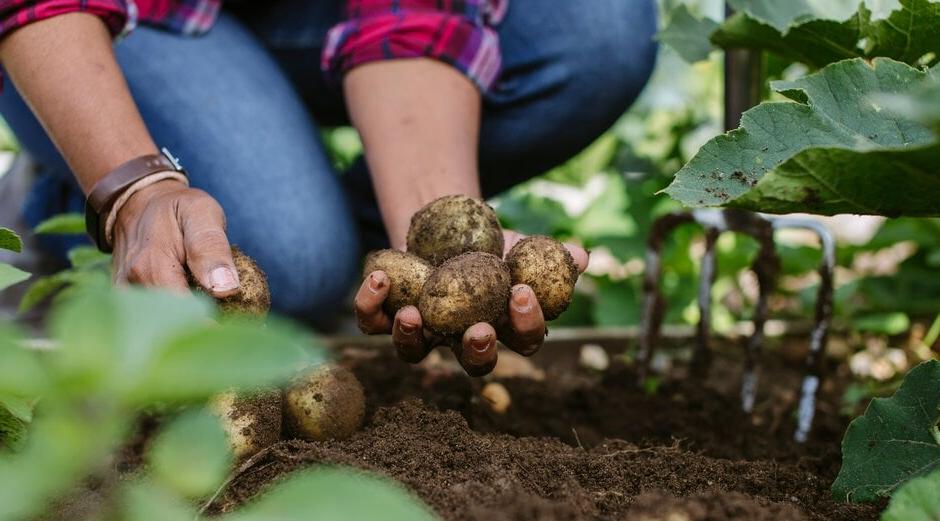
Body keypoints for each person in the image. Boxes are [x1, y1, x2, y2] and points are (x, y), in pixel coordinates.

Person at [0, 0, 657, 375]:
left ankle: (316, 225)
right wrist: (132, 187)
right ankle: (69, 194)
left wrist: (435, 241)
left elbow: (407, 11)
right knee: (294, 262)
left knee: (596, 31)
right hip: (109, 16)